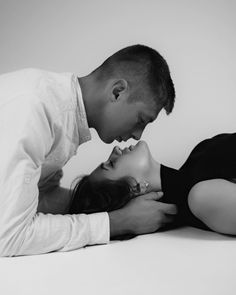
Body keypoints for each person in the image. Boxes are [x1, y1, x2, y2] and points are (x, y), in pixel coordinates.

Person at [0, 44, 176, 256]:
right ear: (117, 92)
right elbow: (9, 236)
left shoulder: (62, 114)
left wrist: (115, 204)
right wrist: (116, 223)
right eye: (141, 120)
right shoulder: (35, 109)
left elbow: (39, 198)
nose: (138, 136)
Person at [69, 133, 236, 236]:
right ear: (135, 188)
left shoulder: (197, 157)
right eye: (112, 164)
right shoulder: (201, 199)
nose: (115, 151)